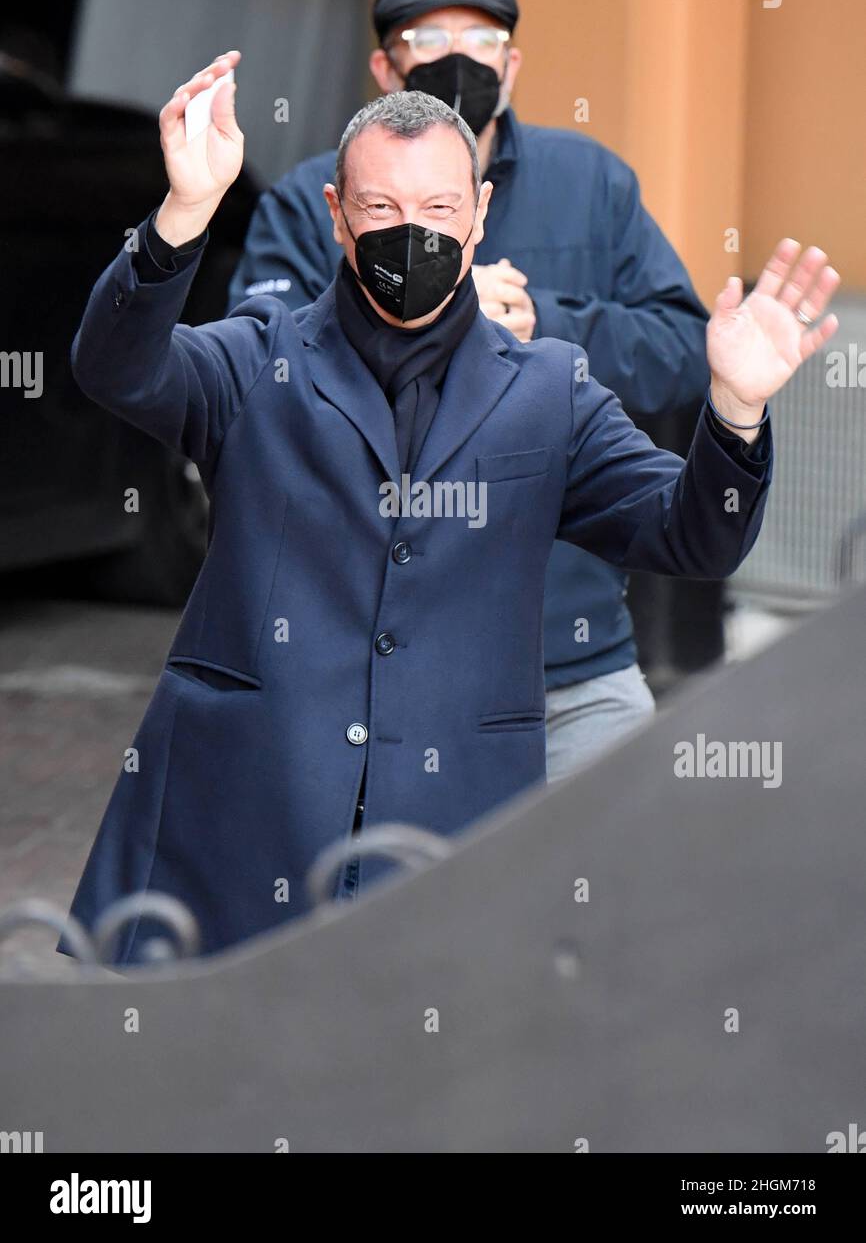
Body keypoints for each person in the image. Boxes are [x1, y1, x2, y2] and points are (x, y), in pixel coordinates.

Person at [60, 50, 838, 966]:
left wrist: (736, 411)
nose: (411, 233)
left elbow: (691, 537)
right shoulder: (255, 359)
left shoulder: (550, 389)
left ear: (478, 218)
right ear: (338, 219)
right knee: (203, 1086)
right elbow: (116, 367)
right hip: (239, 817)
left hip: (450, 828)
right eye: (382, 209)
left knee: (421, 1092)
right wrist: (184, 213)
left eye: (437, 209)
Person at [227, 0, 715, 780]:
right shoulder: (314, 195)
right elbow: (251, 371)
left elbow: (683, 351)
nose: (458, 57)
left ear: (511, 64)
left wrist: (545, 322)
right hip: (361, 666)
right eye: (426, 38)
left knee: (593, 894)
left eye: (481, 39)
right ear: (385, 68)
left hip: (571, 661)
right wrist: (407, 308)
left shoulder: (592, 182)